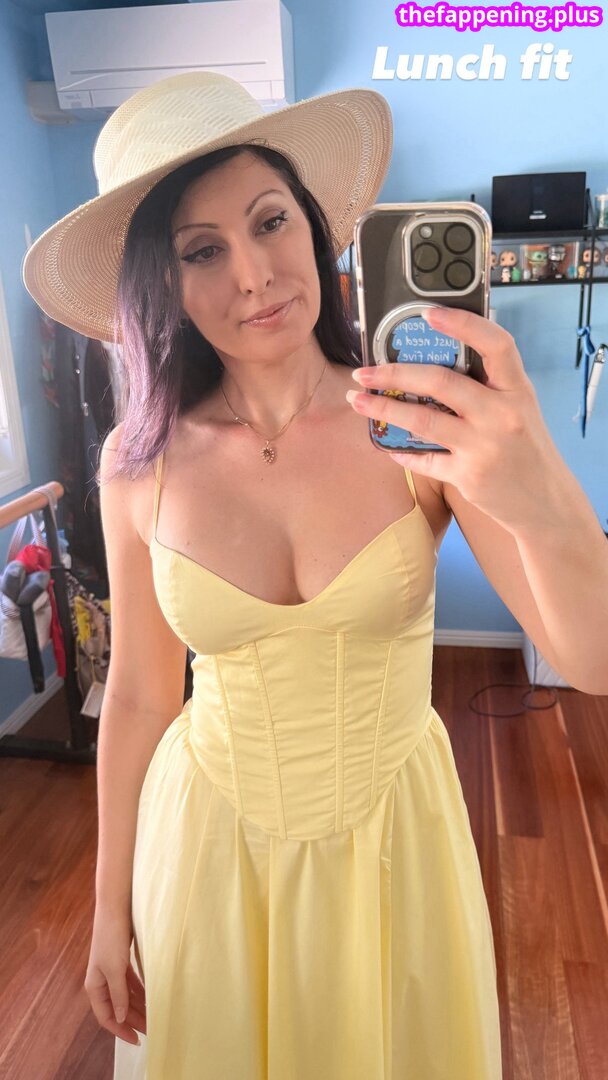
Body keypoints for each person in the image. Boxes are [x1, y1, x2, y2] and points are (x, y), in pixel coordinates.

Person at [22, 71, 608, 1080]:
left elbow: (589, 661)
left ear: (314, 227)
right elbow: (143, 696)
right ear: (163, 284)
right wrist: (108, 906)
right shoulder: (136, 465)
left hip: (394, 847)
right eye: (202, 250)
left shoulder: (418, 425)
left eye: (269, 222)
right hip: (207, 851)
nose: (254, 275)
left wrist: (540, 484)